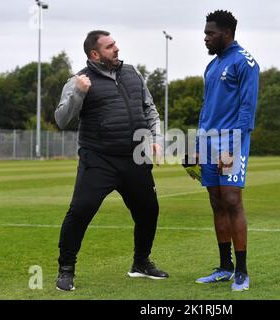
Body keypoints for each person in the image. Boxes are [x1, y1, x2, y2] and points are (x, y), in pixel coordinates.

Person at [54, 30, 168, 291]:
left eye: (115, 44)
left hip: (135, 158)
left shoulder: (133, 73)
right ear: (95, 54)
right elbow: (61, 120)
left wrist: (156, 139)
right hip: (99, 159)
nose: (116, 49)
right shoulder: (78, 81)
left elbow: (149, 109)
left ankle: (141, 263)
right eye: (109, 47)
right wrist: (79, 94)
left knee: (149, 210)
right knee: (80, 211)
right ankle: (66, 270)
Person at [194, 10, 259, 291]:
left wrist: (232, 146)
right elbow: (206, 107)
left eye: (210, 33)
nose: (205, 38)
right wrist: (197, 145)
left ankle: (242, 272)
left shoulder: (245, 63)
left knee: (232, 200)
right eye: (206, 32)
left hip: (231, 140)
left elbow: (247, 107)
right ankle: (224, 267)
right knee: (216, 202)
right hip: (207, 141)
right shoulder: (211, 67)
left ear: (227, 34)